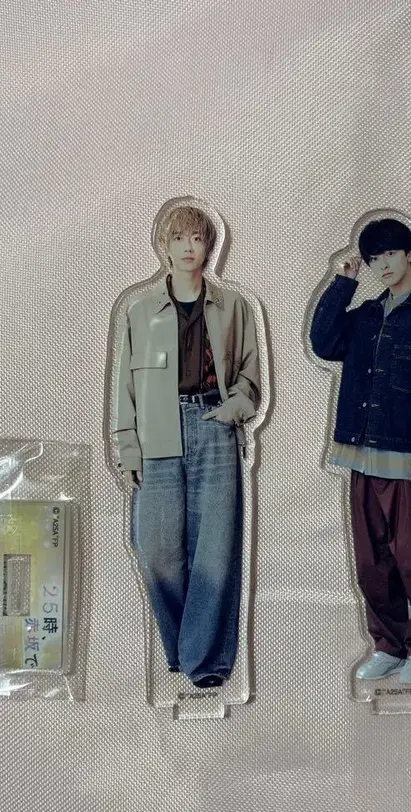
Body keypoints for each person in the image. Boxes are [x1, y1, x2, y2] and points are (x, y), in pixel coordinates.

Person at [109, 203, 261, 689]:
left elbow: (250, 373)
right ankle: (184, 648)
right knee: (155, 548)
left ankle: (205, 662)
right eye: (179, 238)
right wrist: (127, 448)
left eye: (197, 238)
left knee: (214, 548)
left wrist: (233, 408)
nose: (189, 247)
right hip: (157, 431)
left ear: (209, 245)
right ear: (165, 246)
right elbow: (124, 388)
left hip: (213, 424)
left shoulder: (234, 306)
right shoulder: (139, 311)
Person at [310, 218, 411, 684]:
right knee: (371, 562)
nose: (383, 265)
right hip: (361, 455)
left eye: (390, 254)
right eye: (374, 259)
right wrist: (343, 282)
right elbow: (323, 341)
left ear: (410, 253)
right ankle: (388, 644)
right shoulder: (365, 317)